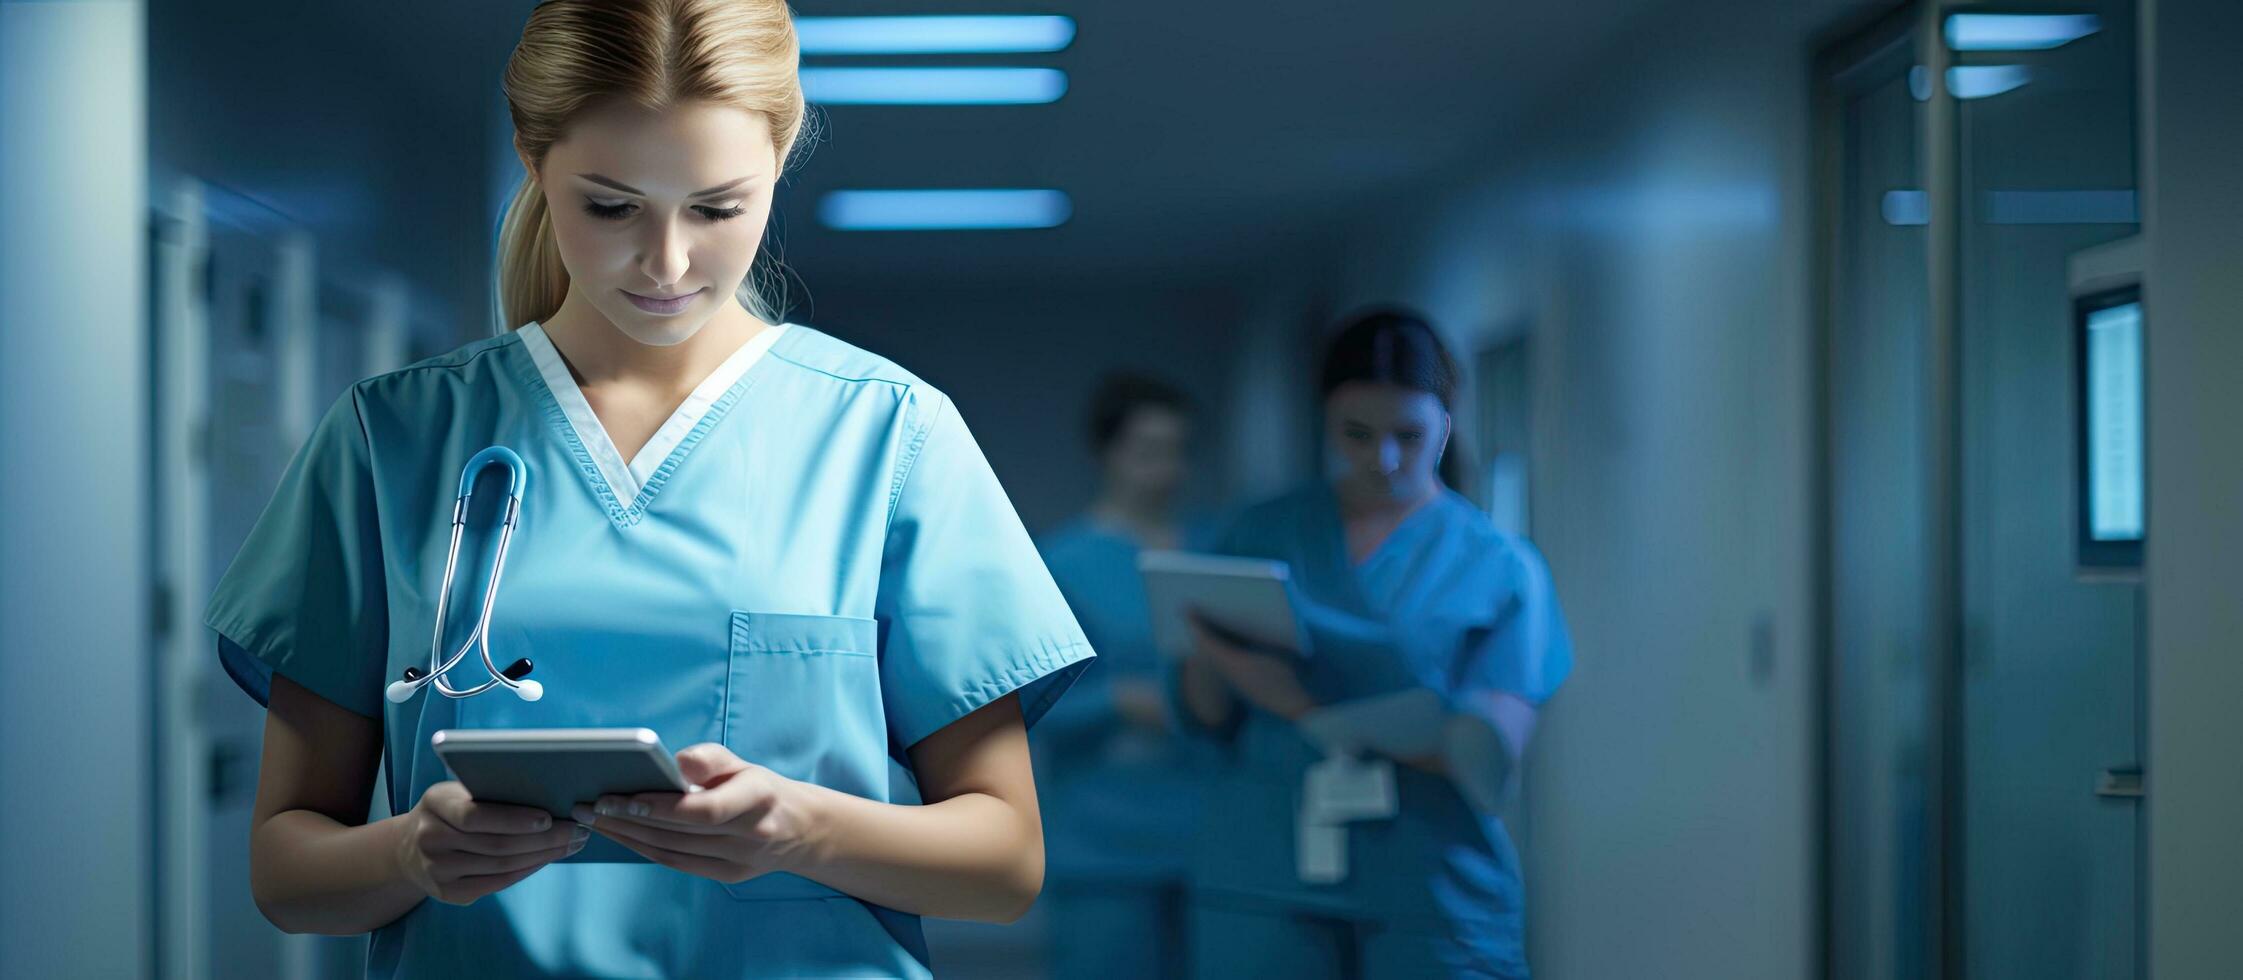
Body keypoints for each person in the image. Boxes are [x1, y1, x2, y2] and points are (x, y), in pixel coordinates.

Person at [201, 2, 1092, 977]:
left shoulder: (887, 433)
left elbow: (1004, 862)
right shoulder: (394, 438)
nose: (667, 262)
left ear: (780, 158)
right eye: (611, 206)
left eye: (717, 207)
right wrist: (411, 848)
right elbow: (288, 871)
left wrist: (800, 826)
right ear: (533, 160)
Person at [1174, 308, 1572, 978]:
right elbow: (1206, 717)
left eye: (1407, 435)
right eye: (1354, 434)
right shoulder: (1258, 534)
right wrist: (1206, 648)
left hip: (1429, 890)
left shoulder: (1499, 568)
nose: (1381, 458)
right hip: (1265, 876)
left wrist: (1299, 707)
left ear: (1447, 421)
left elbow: (1483, 757)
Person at [1033, 374, 1211, 978]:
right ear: (1108, 453)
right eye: (1148, 452)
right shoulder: (1063, 562)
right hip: (1103, 846)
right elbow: (1036, 706)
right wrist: (1129, 701)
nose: (1167, 470)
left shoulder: (1212, 552)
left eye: (1178, 452)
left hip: (1209, 839)